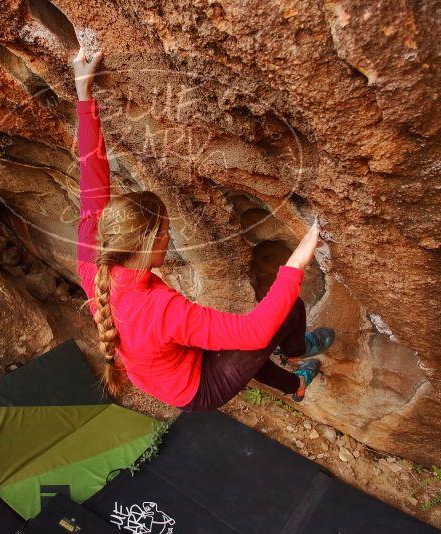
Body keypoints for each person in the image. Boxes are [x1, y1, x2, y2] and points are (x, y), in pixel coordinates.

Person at [73, 48, 335, 411]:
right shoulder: (160, 309)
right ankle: (295, 351)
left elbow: (92, 182)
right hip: (197, 389)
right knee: (284, 314)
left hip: (159, 372)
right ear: (151, 242)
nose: (170, 236)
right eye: (166, 230)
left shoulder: (92, 258)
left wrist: (83, 95)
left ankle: (296, 384)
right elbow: (255, 332)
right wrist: (297, 260)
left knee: (238, 349)